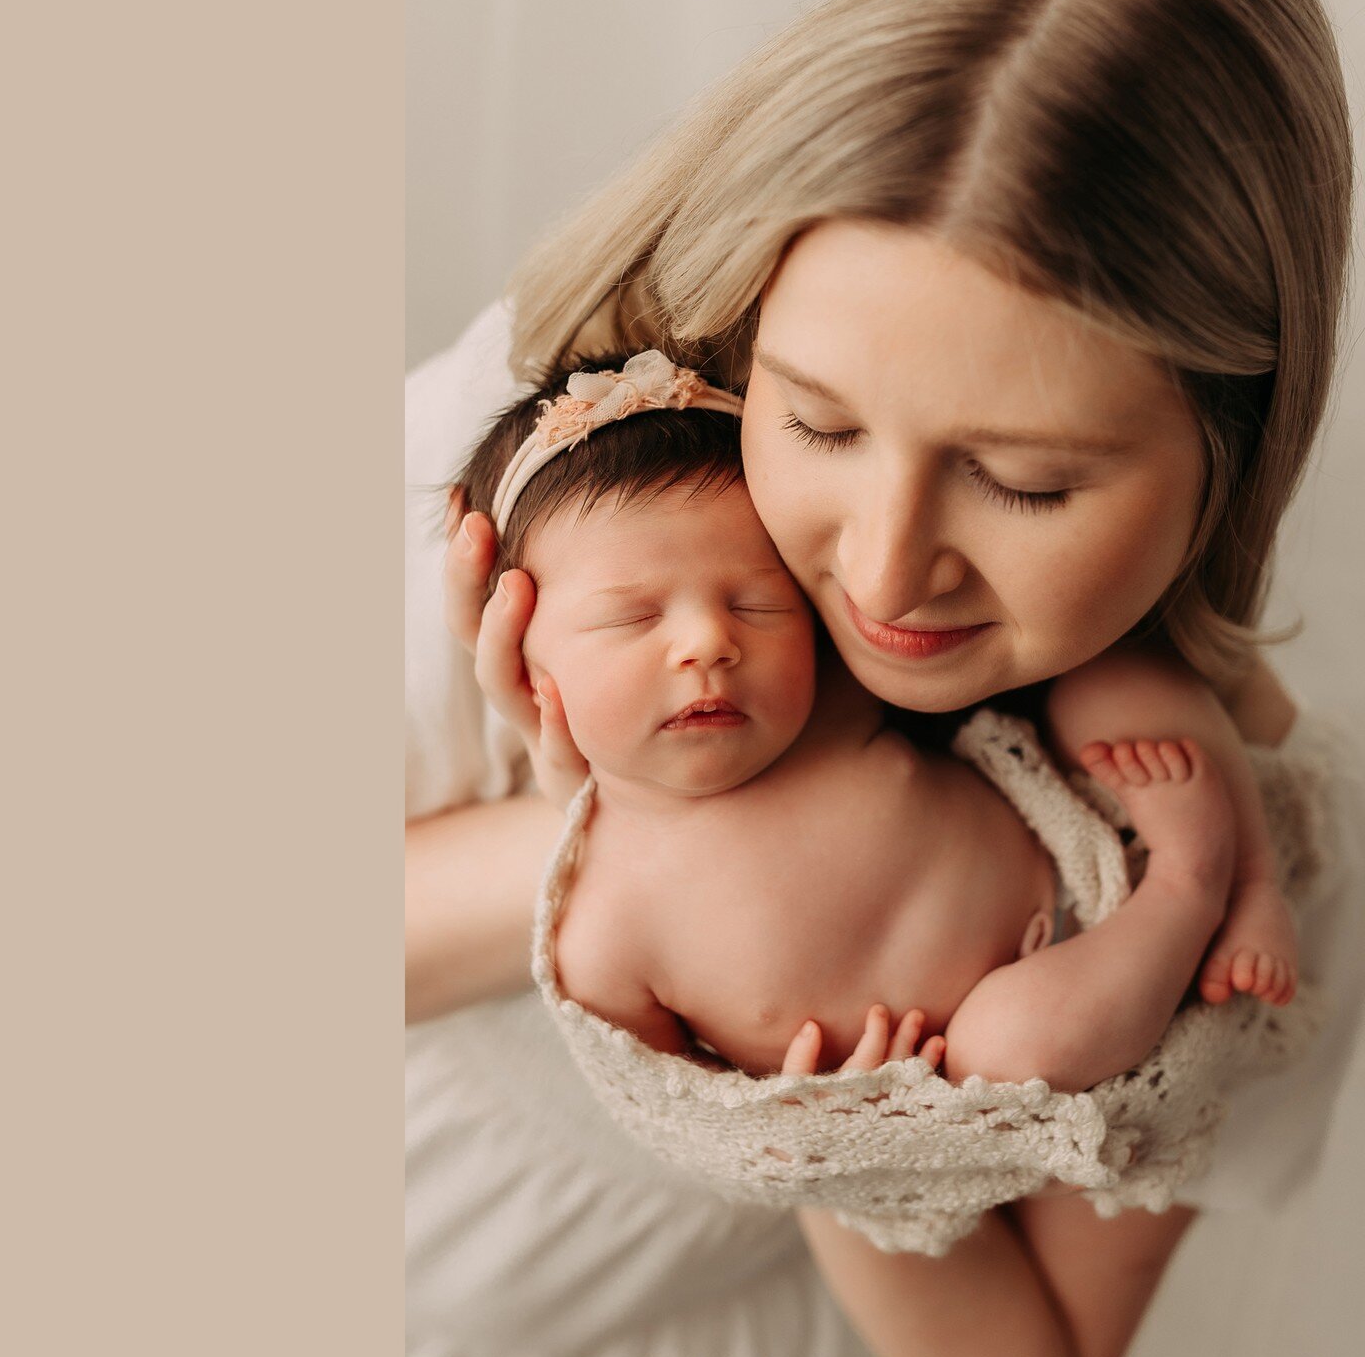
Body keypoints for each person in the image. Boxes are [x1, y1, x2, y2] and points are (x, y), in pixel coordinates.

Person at [406, 0, 1364, 1357]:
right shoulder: (569, 501)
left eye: (1026, 483)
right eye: (819, 426)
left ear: (1227, 468)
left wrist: (856, 1139)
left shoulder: (1232, 849)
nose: (883, 569)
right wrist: (616, 826)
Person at [453, 348, 1292, 1095]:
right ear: (520, 648)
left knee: (1108, 674)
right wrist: (809, 1118)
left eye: (756, 602)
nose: (709, 643)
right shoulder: (599, 930)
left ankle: (1249, 879)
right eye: (632, 619)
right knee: (1007, 1046)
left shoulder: (831, 703)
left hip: (1082, 855)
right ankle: (1191, 883)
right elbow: (676, 1104)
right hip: (1000, 1059)